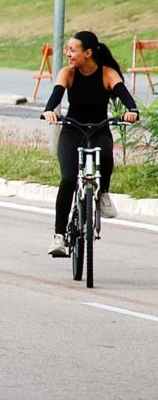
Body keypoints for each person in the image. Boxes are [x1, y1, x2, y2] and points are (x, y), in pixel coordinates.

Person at [42, 31, 139, 256]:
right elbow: (56, 95)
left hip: (99, 129)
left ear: (87, 53)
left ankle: (102, 192)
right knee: (68, 178)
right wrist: (49, 110)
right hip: (72, 130)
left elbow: (125, 97)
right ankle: (59, 236)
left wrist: (132, 111)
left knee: (105, 155)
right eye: (67, 50)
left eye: (72, 50)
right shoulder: (67, 73)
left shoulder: (107, 73)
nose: (68, 54)